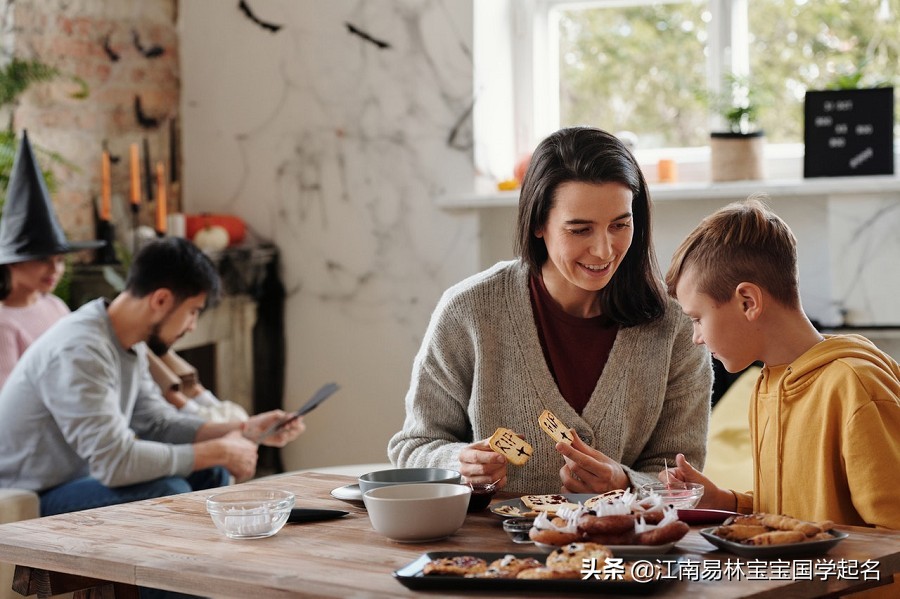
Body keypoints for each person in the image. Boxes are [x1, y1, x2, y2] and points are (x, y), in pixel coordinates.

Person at [388, 126, 712, 494]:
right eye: (580, 230)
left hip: (618, 545)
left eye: (620, 225)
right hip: (491, 546)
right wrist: (457, 463)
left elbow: (681, 476)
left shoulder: (676, 328)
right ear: (539, 223)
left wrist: (625, 483)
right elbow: (413, 447)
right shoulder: (469, 311)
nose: (604, 250)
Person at [0, 236, 305, 516]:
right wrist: (216, 450)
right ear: (160, 300)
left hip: (80, 478)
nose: (192, 326)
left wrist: (244, 428)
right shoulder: (81, 350)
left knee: (211, 472)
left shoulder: (128, 342)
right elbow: (114, 463)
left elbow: (158, 423)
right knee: (170, 490)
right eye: (192, 311)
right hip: (32, 491)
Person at [661, 196, 900, 529]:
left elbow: (894, 535)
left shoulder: (855, 387)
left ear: (748, 302)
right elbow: (788, 516)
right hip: (793, 580)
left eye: (698, 318)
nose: (696, 337)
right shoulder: (766, 385)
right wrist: (726, 501)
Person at [0, 131, 104, 389]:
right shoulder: (4, 324)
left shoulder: (56, 307)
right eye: (44, 260)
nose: (55, 270)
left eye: (59, 260)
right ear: (14, 261)